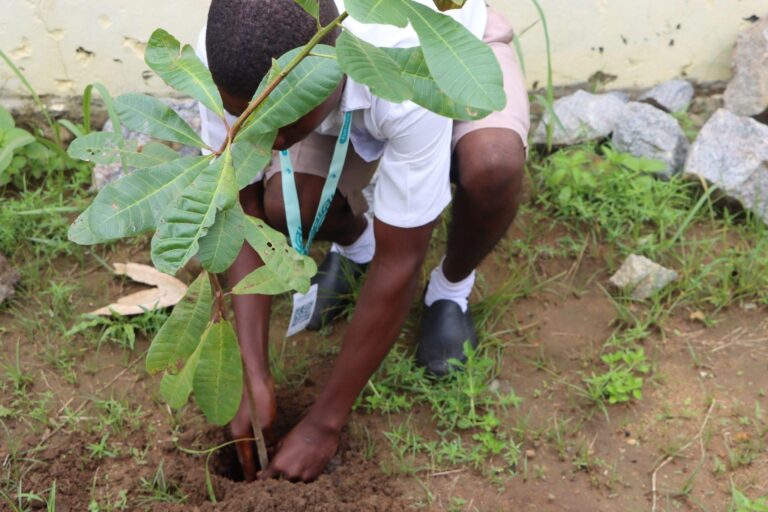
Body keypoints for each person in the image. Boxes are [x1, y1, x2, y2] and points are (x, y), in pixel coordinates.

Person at [197, 0, 529, 482]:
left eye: (279, 126)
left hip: (448, 59)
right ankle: (356, 245)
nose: (265, 143)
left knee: (492, 165)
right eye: (248, 120)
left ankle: (451, 290)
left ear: (329, 78)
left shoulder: (406, 71)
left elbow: (403, 258)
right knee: (287, 206)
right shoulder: (228, 56)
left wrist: (323, 425)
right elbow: (240, 210)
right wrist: (252, 372)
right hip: (326, 97)